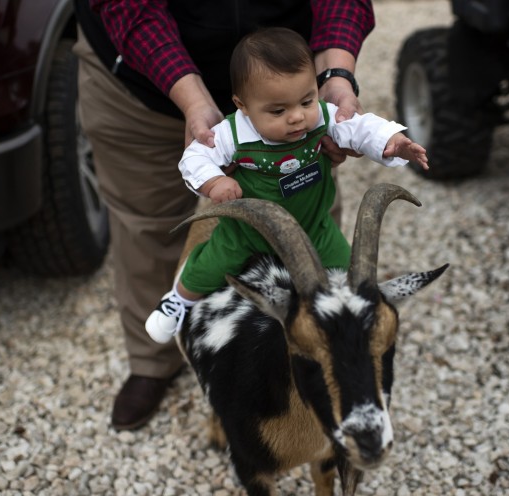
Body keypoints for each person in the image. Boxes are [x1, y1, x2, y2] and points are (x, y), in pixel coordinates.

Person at [74, 0, 381, 431]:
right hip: (140, 80)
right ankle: (153, 360)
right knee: (147, 223)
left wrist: (334, 74)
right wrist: (193, 99)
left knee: (302, 232)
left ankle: (307, 359)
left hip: (288, 87)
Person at [145, 27, 428, 343]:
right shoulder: (231, 133)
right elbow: (194, 158)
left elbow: (359, 127)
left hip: (313, 227)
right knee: (210, 265)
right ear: (243, 105)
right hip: (248, 233)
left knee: (349, 273)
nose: (297, 118)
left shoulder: (321, 116)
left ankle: (349, 321)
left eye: (306, 100)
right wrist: (214, 181)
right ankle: (178, 300)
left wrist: (391, 140)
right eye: (278, 110)